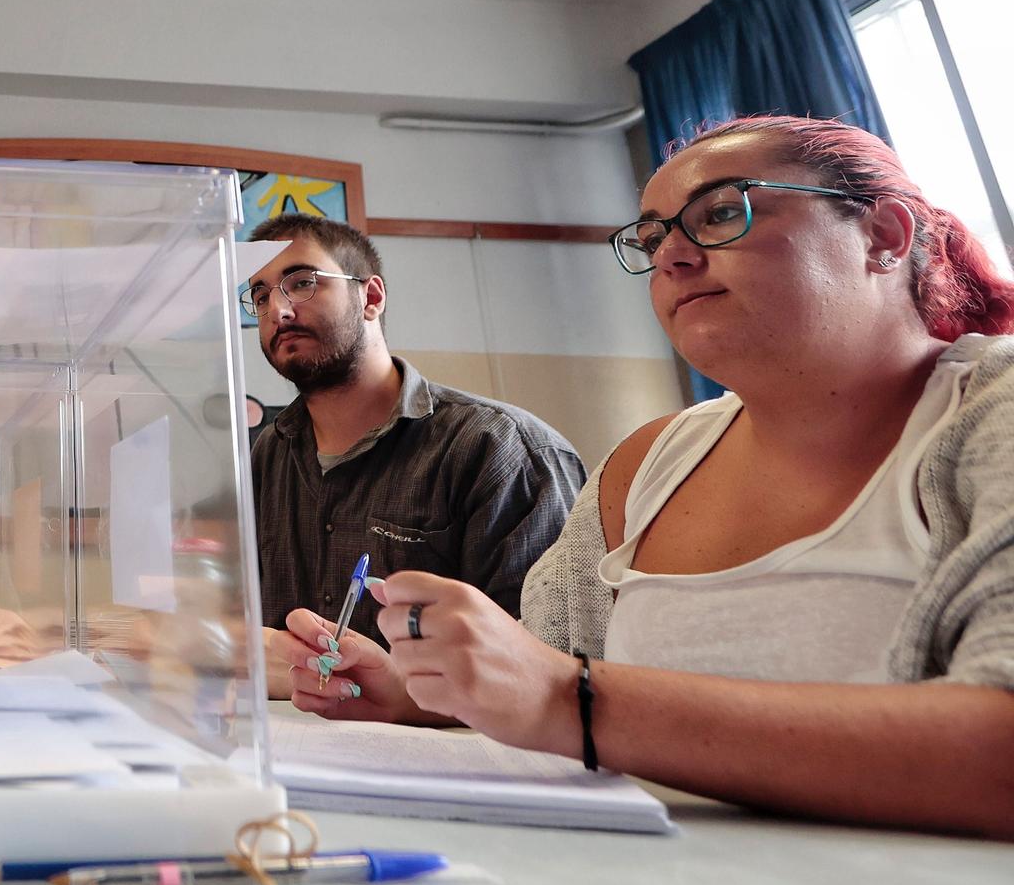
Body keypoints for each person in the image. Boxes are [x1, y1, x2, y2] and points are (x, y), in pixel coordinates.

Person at [278, 116, 1014, 838]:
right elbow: (543, 677)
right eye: (654, 237)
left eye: (721, 212)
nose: (671, 258)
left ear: (884, 236)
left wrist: (574, 701)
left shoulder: (986, 413)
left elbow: (572, 697)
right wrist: (417, 693)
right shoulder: (647, 465)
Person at [245, 214, 585, 692]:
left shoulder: (501, 449)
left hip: (462, 757)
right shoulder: (269, 456)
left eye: (301, 283)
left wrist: (401, 690)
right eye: (260, 296)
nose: (277, 311)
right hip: (299, 750)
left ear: (372, 297)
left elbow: (555, 672)